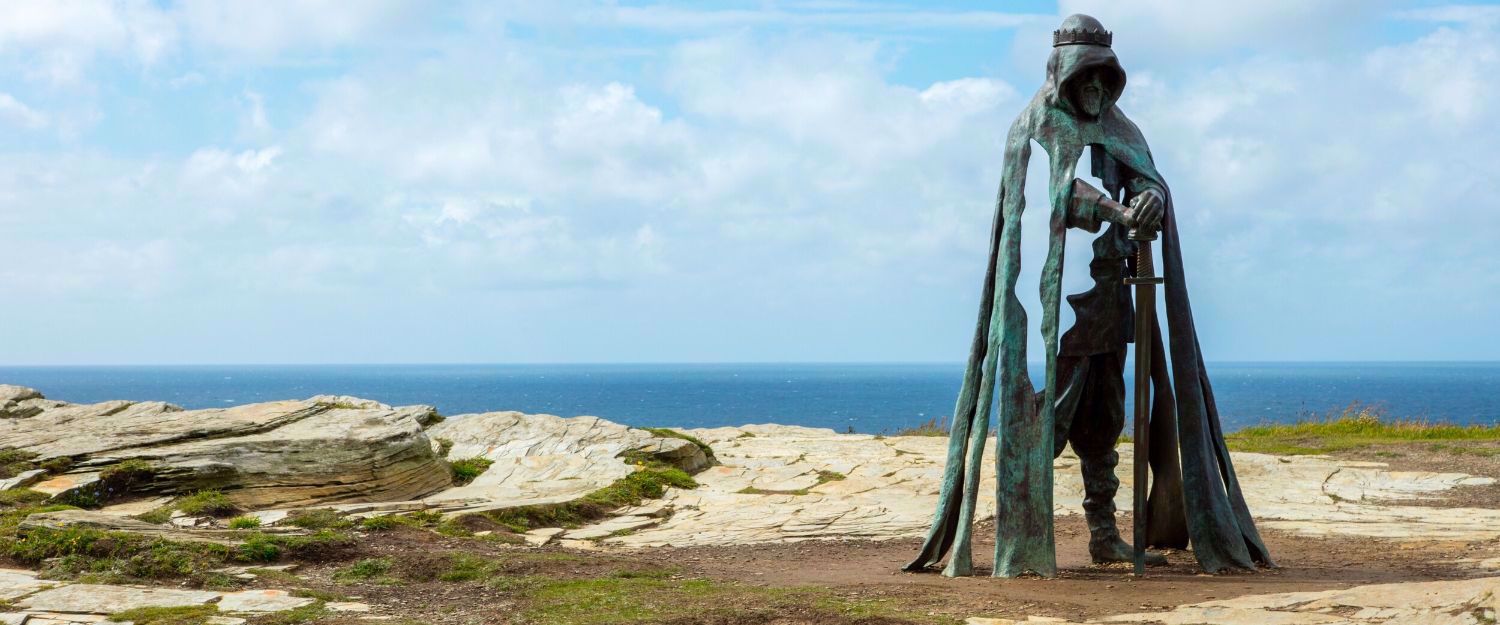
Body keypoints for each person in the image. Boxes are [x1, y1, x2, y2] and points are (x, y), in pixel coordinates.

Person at [904, 14, 1274, 577]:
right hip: (1049, 311)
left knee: (1104, 420)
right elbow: (1043, 202)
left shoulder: (1122, 129)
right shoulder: (1033, 128)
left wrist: (1149, 198)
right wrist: (1106, 209)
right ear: (1065, 76)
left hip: (1107, 299)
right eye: (1086, 77)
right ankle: (1022, 537)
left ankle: (1104, 534)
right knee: (1044, 421)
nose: (1096, 89)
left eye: (1105, 77)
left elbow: (1147, 180)